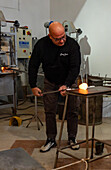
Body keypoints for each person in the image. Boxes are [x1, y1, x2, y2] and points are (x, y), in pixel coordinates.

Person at [28, 21, 81, 152]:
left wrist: (67, 84)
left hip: (69, 80)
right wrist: (33, 85)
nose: (62, 41)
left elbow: (75, 68)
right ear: (50, 36)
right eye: (58, 39)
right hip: (50, 81)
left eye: (63, 36)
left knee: (72, 110)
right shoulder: (41, 45)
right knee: (50, 111)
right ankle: (51, 139)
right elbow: (33, 65)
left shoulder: (72, 45)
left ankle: (72, 138)